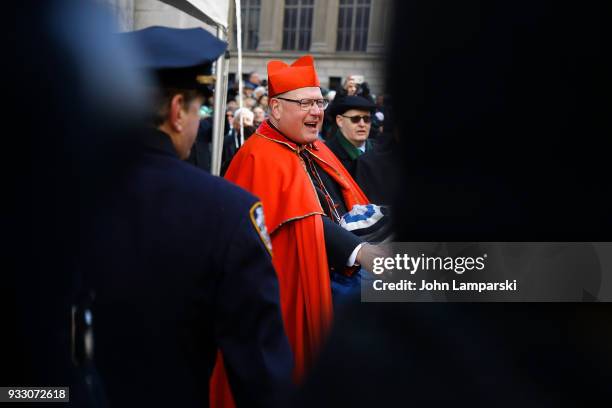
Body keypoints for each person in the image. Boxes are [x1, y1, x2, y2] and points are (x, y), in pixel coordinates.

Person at [90, 26, 293, 407]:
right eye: (199, 107)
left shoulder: (40, 195)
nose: (200, 119)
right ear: (176, 111)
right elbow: (262, 375)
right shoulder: (226, 212)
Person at [211, 56, 386, 406]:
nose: (316, 111)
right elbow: (302, 219)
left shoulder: (316, 147)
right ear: (274, 108)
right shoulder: (258, 157)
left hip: (341, 284)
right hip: (290, 299)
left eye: (319, 101)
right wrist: (362, 252)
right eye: (305, 103)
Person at [325, 95, 377, 178]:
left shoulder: (379, 150)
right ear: (340, 121)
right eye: (355, 119)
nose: (362, 124)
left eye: (366, 119)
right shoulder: (326, 155)